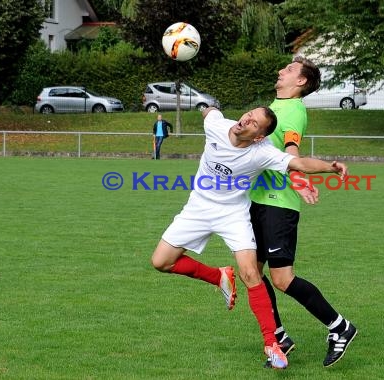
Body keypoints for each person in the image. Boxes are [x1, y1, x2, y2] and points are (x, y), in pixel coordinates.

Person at [150, 105, 348, 369]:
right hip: (197, 208)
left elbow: (297, 162)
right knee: (161, 262)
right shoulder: (217, 126)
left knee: (251, 274)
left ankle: (272, 343)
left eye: (254, 123)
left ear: (259, 137)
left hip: (233, 215)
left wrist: (330, 167)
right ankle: (218, 276)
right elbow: (210, 111)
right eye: (248, 115)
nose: (246, 120)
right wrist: (208, 107)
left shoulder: (262, 152)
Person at [249, 56, 358, 368]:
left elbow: (291, 150)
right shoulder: (274, 107)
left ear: (301, 82)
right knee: (251, 272)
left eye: (290, 69)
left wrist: (298, 180)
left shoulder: (293, 110)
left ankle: (340, 327)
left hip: (278, 205)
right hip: (258, 201)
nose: (282, 69)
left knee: (282, 279)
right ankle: (278, 337)